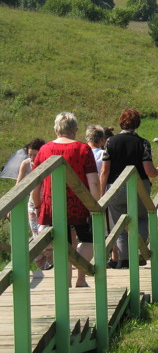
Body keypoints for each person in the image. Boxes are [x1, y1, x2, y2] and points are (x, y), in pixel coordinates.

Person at [31, 112, 100, 287]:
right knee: (92, 240)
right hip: (79, 204)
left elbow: (35, 183)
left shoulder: (44, 150)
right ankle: (81, 278)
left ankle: (67, 284)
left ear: (56, 129)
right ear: (75, 129)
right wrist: (95, 205)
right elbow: (93, 181)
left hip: (52, 204)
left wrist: (38, 205)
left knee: (64, 245)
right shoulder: (83, 149)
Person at [101, 108, 158, 269]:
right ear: (137, 124)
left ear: (121, 122)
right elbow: (149, 172)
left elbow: (105, 171)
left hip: (115, 188)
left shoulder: (110, 142)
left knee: (119, 224)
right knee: (142, 218)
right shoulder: (143, 143)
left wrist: (103, 194)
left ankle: (124, 261)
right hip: (139, 188)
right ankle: (139, 249)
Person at [15, 138, 51, 270]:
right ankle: (42, 266)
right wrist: (11, 207)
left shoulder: (48, 163)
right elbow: (18, 186)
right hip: (32, 204)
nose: (32, 157)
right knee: (36, 235)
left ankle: (51, 263)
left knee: (45, 234)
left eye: (35, 154)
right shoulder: (26, 164)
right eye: (30, 154)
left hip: (46, 203)